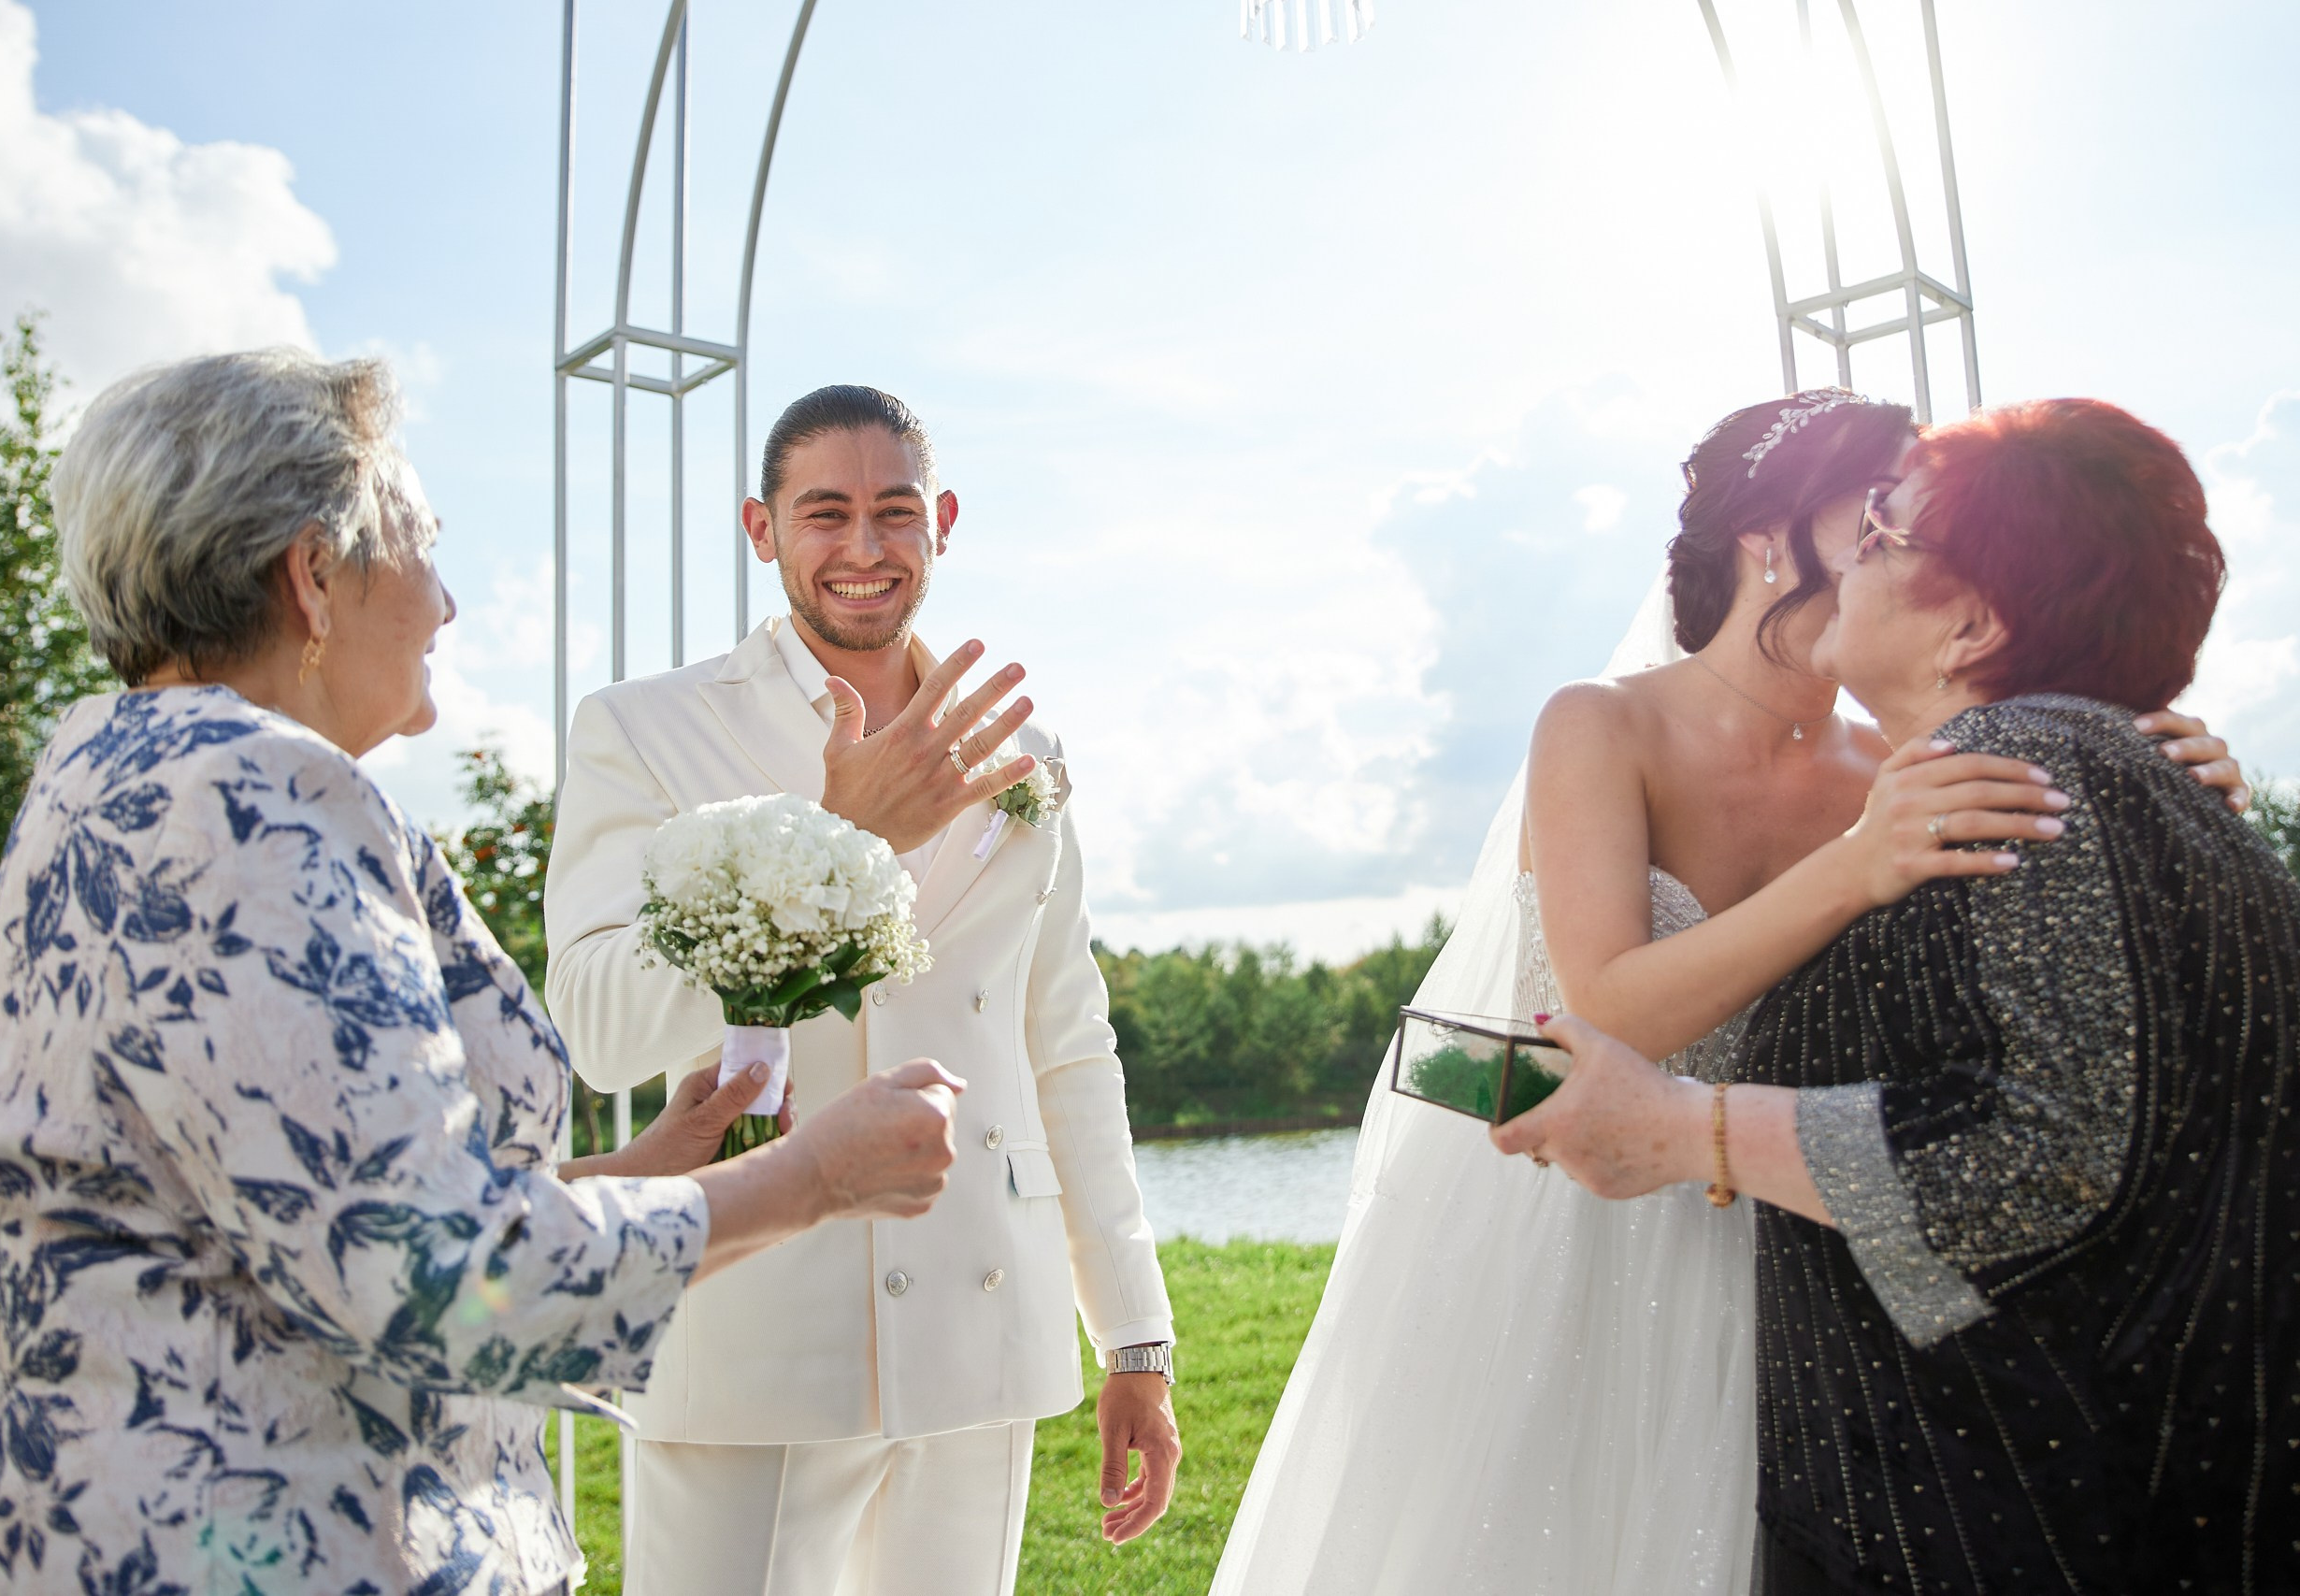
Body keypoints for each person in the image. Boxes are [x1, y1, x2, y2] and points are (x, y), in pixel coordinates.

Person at [0, 350, 965, 1596]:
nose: (449, 604)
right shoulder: (253, 802)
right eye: (421, 545)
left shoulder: (111, 766)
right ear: (312, 577)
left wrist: (638, 1172)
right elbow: (435, 1282)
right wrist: (816, 1176)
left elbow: (306, 1209)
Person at [1213, 391, 2251, 1594]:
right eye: (1873, 516)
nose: (1894, 547)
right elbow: (1605, 1009)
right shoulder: (1603, 726)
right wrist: (1854, 865)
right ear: (1767, 534)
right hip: (1585, 1231)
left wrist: (2149, 757)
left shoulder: (1900, 766)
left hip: (1799, 1234)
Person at [1498, 397, 2299, 1593]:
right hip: (1723, 1278)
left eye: (1889, 531)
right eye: (1863, 518)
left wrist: (1689, 1129)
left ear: (1970, 621)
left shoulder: (1996, 776)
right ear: (1766, 533)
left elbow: (2052, 1142)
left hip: (1965, 1443)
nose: (1864, 550)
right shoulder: (1956, 770)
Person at [544, 385, 1178, 1596]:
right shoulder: (644, 727)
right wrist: (844, 837)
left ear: (942, 523)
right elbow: (600, 1026)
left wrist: (1135, 1337)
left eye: (895, 511)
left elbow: (1064, 1044)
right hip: (754, 1325)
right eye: (825, 513)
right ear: (762, 528)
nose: (864, 546)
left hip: (981, 1321)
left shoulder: (1024, 754)